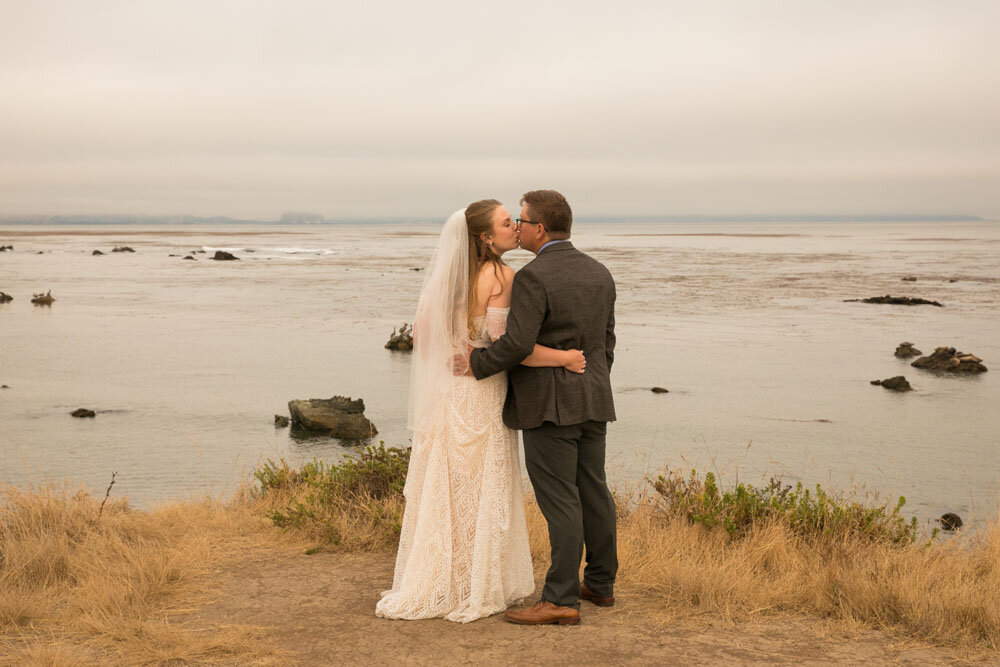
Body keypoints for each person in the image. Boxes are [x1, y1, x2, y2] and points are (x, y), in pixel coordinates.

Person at [375, 199, 586, 623]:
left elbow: (421, 334)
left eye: (516, 221)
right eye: (507, 223)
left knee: (450, 486)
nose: (516, 227)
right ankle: (473, 581)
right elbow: (512, 349)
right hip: (482, 392)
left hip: (450, 393)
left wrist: (458, 354)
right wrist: (563, 359)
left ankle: (442, 577)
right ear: (487, 237)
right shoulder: (501, 276)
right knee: (480, 485)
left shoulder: (451, 279)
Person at [469, 189, 618, 627]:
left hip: (549, 406)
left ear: (539, 228)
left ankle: (561, 600)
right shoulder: (600, 272)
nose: (518, 225)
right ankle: (601, 584)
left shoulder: (534, 277)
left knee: (560, 502)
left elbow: (515, 344)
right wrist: (593, 378)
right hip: (594, 395)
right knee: (593, 489)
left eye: (522, 219)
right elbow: (606, 343)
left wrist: (476, 364)